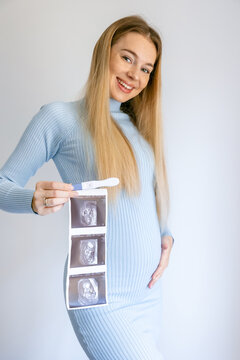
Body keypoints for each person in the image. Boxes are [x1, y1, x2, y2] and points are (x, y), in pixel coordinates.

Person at [0, 15, 174, 360]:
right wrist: (32, 200)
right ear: (103, 53)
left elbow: (149, 196)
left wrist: (166, 235)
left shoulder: (139, 128)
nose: (134, 75)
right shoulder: (59, 118)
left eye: (146, 69)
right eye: (127, 58)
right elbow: (3, 184)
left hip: (148, 295)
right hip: (96, 293)